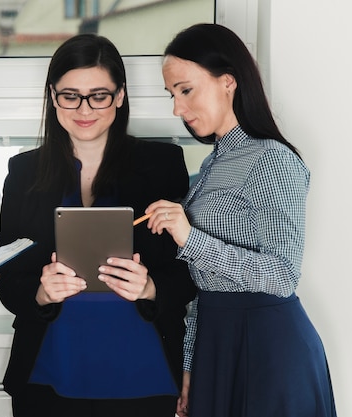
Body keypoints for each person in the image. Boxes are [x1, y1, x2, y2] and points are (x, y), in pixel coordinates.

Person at [0, 33, 196, 417]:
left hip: (143, 373)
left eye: (98, 95)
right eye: (70, 95)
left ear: (120, 95)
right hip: (49, 373)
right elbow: (7, 271)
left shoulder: (162, 164)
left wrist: (151, 287)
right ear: (53, 96)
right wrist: (40, 293)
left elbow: (191, 269)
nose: (84, 108)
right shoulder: (23, 172)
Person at [143, 23, 338, 417]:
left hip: (268, 347)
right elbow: (204, 286)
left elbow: (282, 275)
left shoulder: (272, 159)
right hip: (217, 342)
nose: (177, 109)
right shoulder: (214, 163)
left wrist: (188, 236)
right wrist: (190, 366)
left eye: (185, 90)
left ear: (227, 81)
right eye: (172, 95)